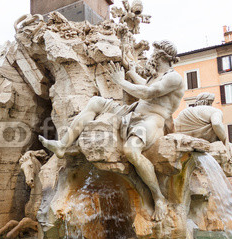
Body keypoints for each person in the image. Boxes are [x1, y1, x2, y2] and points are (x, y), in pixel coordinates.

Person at [39, 40, 184, 221]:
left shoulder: (173, 77)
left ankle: (158, 197)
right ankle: (62, 144)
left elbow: (149, 93)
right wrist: (131, 72)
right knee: (95, 103)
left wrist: (121, 81)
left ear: (161, 55)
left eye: (155, 52)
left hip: (152, 119)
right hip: (133, 111)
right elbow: (146, 86)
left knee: (131, 150)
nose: (152, 56)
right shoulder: (157, 75)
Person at [175, 92, 232, 158]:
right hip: (205, 145)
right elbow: (216, 124)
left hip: (182, 144)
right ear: (208, 102)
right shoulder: (214, 111)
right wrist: (225, 142)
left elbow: (175, 126)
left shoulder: (185, 111)